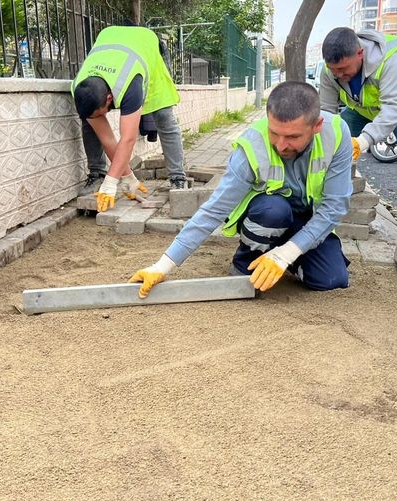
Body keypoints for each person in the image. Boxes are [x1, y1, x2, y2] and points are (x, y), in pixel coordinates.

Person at [129, 81, 353, 298]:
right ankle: (248, 260)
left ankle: (282, 255)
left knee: (331, 279)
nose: (281, 145)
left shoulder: (335, 134)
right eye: (274, 133)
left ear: (317, 126)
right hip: (269, 215)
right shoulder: (251, 147)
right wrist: (162, 266)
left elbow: (333, 208)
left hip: (305, 219)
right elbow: (213, 211)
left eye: (293, 137)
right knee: (273, 210)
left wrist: (286, 254)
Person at [319, 27, 397, 252]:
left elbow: (393, 109)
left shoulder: (389, 60)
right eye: (333, 69)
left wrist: (363, 141)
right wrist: (328, 142)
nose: (339, 75)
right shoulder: (330, 72)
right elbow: (327, 115)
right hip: (364, 108)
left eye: (344, 69)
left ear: (360, 53)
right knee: (326, 144)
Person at [71, 25, 187, 212]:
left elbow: (128, 139)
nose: (102, 118)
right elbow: (108, 139)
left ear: (109, 98)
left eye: (102, 113)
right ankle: (97, 174)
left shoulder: (129, 83)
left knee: (164, 117)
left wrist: (111, 184)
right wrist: (127, 177)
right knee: (89, 124)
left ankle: (178, 178)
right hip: (110, 38)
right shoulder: (80, 88)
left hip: (145, 48)